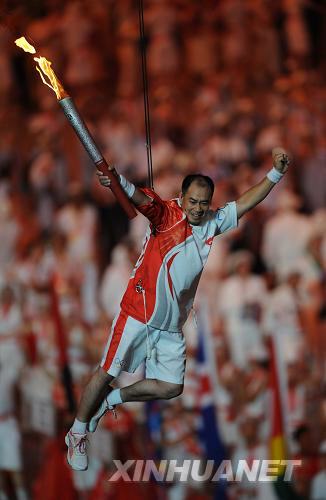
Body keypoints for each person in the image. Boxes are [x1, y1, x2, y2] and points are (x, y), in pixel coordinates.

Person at [66, 147, 290, 470]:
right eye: (192, 201)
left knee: (172, 386)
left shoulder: (212, 223)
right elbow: (143, 200)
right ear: (181, 197)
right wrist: (117, 180)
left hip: (171, 326)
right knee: (106, 373)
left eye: (203, 203)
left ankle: (113, 400)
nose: (197, 209)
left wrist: (275, 174)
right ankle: (76, 431)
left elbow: (246, 201)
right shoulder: (166, 215)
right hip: (138, 314)